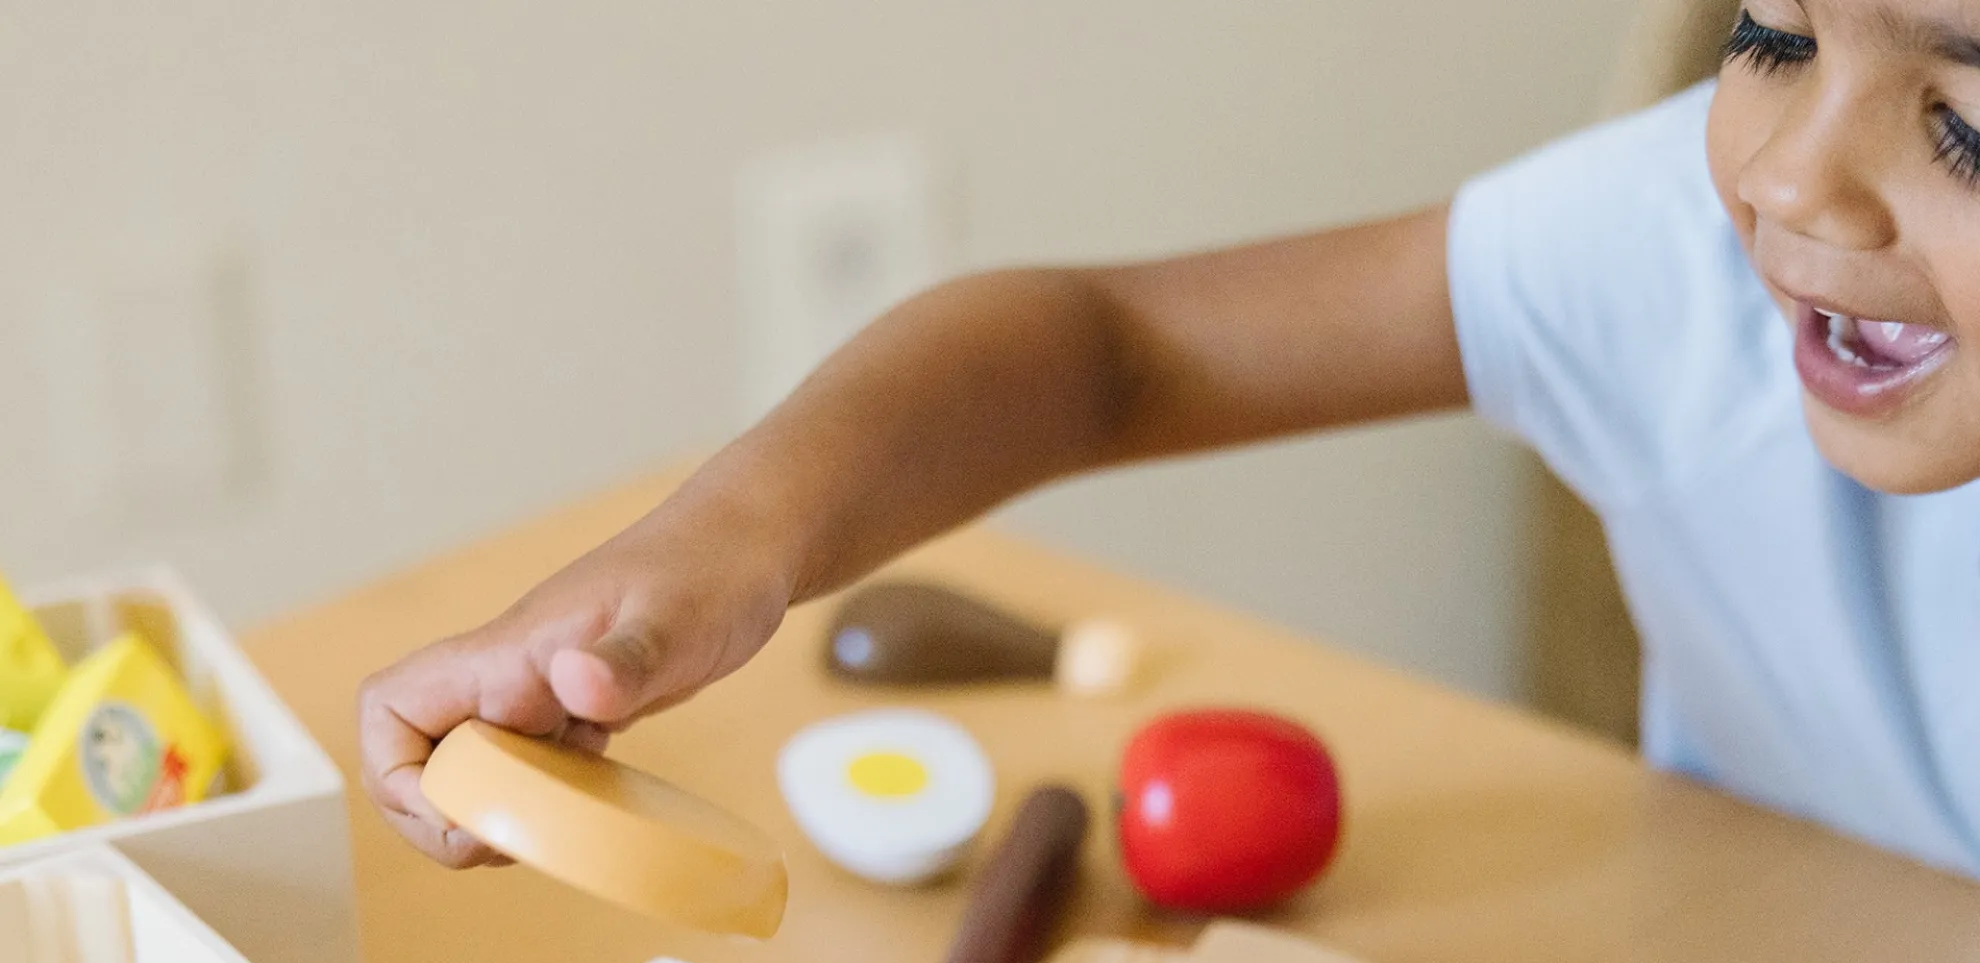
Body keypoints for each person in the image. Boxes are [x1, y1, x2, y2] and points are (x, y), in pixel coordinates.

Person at [359, 2, 1980, 877]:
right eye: (1775, 34)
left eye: (1966, 123)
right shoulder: (1663, 257)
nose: (1789, 179)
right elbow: (1108, 356)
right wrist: (722, 544)